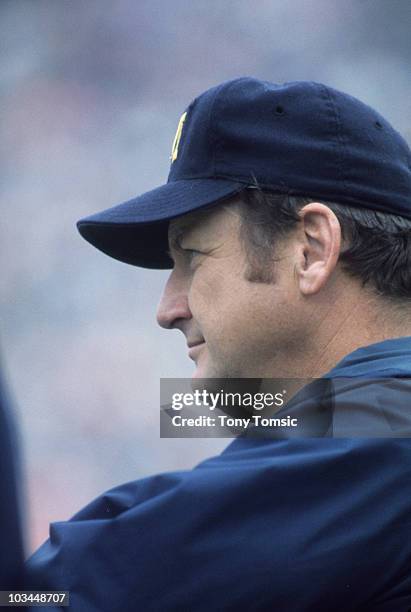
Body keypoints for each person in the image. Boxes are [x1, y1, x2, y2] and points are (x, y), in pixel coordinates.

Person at [28, 78, 411, 610]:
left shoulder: (380, 436)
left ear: (312, 250)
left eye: (192, 255)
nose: (168, 310)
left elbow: (52, 594)